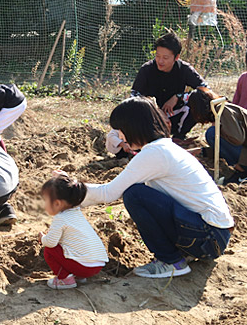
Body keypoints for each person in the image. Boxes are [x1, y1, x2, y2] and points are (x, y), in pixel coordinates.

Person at [80, 97, 234, 278]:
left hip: (207, 237)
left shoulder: (154, 153)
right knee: (141, 193)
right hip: (215, 235)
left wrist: (68, 191)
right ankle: (182, 254)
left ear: (134, 127)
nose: (120, 137)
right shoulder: (165, 148)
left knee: (135, 195)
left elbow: (108, 193)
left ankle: (171, 261)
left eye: (121, 131)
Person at [132, 32, 210, 139]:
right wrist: (154, 110)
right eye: (157, 56)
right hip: (151, 117)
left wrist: (179, 97)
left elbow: (205, 90)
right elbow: (134, 96)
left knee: (199, 99)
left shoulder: (184, 69)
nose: (160, 61)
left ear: (176, 57)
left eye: (165, 57)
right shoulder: (147, 69)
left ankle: (179, 136)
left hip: (176, 115)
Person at [39, 173, 108, 290]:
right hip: (98, 265)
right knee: (66, 246)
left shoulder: (60, 218)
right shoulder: (76, 213)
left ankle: (65, 280)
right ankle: (78, 275)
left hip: (84, 266)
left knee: (49, 250)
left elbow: (50, 242)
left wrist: (42, 238)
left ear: (57, 203)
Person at [188, 89, 247, 184]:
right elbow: (225, 146)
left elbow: (237, 139)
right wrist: (201, 151)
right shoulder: (220, 109)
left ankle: (242, 170)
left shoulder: (224, 110)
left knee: (211, 133)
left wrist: (218, 128)